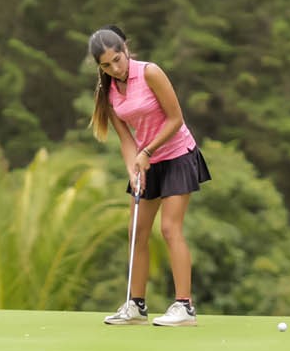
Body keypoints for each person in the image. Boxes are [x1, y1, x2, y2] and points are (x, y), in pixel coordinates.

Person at [88, 25, 211, 327]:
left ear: (126, 49)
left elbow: (175, 119)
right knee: (137, 232)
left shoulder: (150, 73)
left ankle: (185, 307)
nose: (115, 69)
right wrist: (133, 170)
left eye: (118, 59)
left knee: (169, 229)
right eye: (107, 65)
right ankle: (136, 306)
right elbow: (126, 139)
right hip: (147, 161)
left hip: (178, 155)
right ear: (99, 66)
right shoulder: (108, 92)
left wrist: (147, 152)